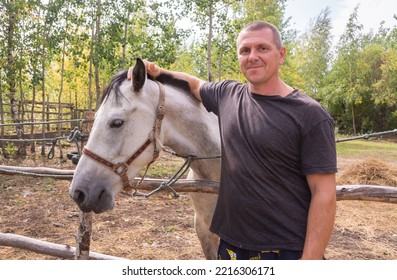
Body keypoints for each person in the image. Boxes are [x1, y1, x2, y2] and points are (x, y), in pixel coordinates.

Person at [129, 20, 337, 260]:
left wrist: (309, 263)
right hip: (232, 247)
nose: (252, 56)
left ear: (281, 55)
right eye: (245, 50)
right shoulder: (228, 95)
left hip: (286, 250)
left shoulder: (309, 114)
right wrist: (157, 71)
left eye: (262, 48)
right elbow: (195, 85)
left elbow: (324, 193)